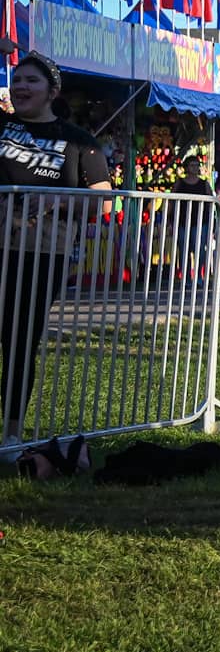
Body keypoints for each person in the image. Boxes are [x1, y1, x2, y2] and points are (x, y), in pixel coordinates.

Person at [1, 53, 112, 452]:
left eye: (31, 80)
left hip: (42, 252)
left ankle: (11, 435)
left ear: (52, 90)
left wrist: (58, 201)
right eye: (16, 80)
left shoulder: (79, 140)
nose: (21, 87)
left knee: (18, 339)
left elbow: (103, 200)